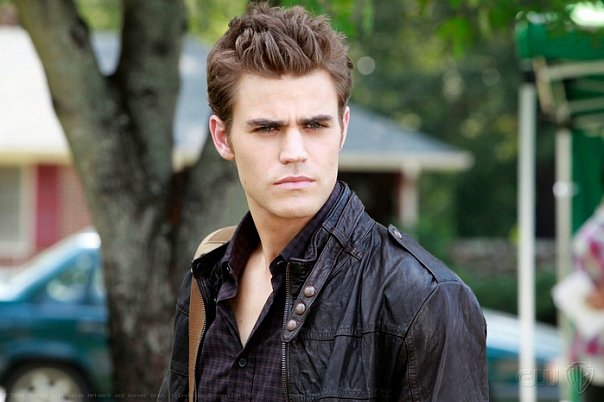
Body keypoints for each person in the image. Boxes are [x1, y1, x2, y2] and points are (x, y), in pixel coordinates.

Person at [158, 3, 488, 401]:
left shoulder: (424, 299)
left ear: (342, 129)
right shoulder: (207, 279)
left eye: (314, 125)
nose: (294, 152)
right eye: (267, 128)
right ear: (223, 138)